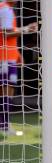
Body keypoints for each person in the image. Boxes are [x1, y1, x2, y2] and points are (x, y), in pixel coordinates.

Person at [0, 0, 36, 137]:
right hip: (4, 57)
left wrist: (17, 53)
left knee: (7, 89)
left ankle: (4, 124)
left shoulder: (5, 8)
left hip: (8, 55)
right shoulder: (5, 10)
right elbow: (5, 34)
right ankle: (4, 125)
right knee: (7, 89)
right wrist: (27, 29)